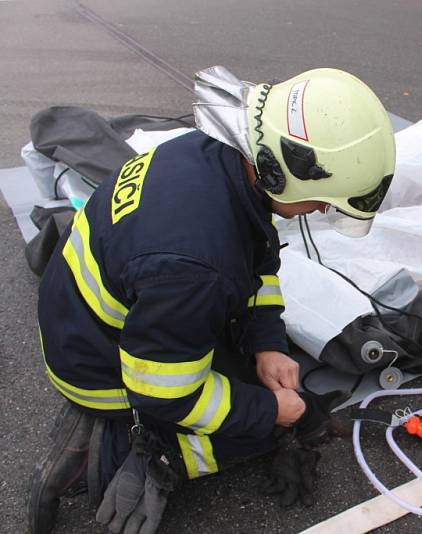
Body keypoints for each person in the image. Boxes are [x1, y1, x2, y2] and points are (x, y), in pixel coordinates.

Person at [28, 65, 396, 534]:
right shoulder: (195, 267)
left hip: (91, 315)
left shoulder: (212, 156)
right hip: (97, 362)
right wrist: (269, 415)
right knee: (254, 425)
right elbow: (166, 390)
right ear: (279, 171)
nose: (322, 208)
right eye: (321, 199)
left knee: (250, 385)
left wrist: (268, 343)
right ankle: (124, 447)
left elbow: (257, 257)